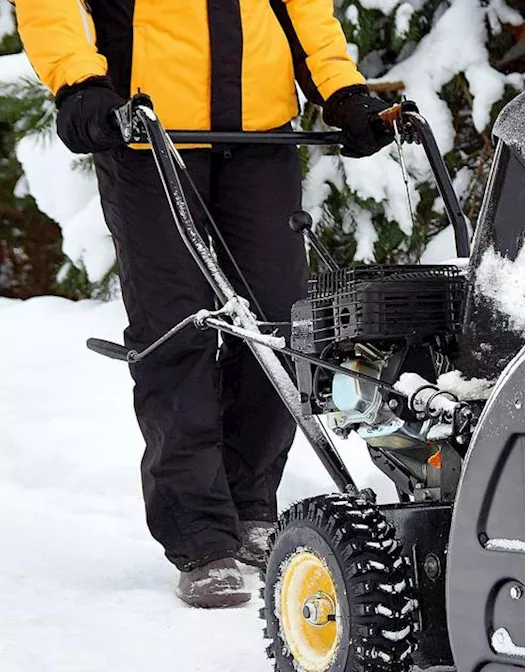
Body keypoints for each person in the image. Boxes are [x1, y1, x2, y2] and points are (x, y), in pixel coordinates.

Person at [15, 0, 395, 608]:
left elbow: (303, 8)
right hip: (146, 133)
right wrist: (80, 82)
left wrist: (340, 86)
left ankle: (250, 508)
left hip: (259, 131)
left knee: (277, 322)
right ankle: (201, 537)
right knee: (177, 329)